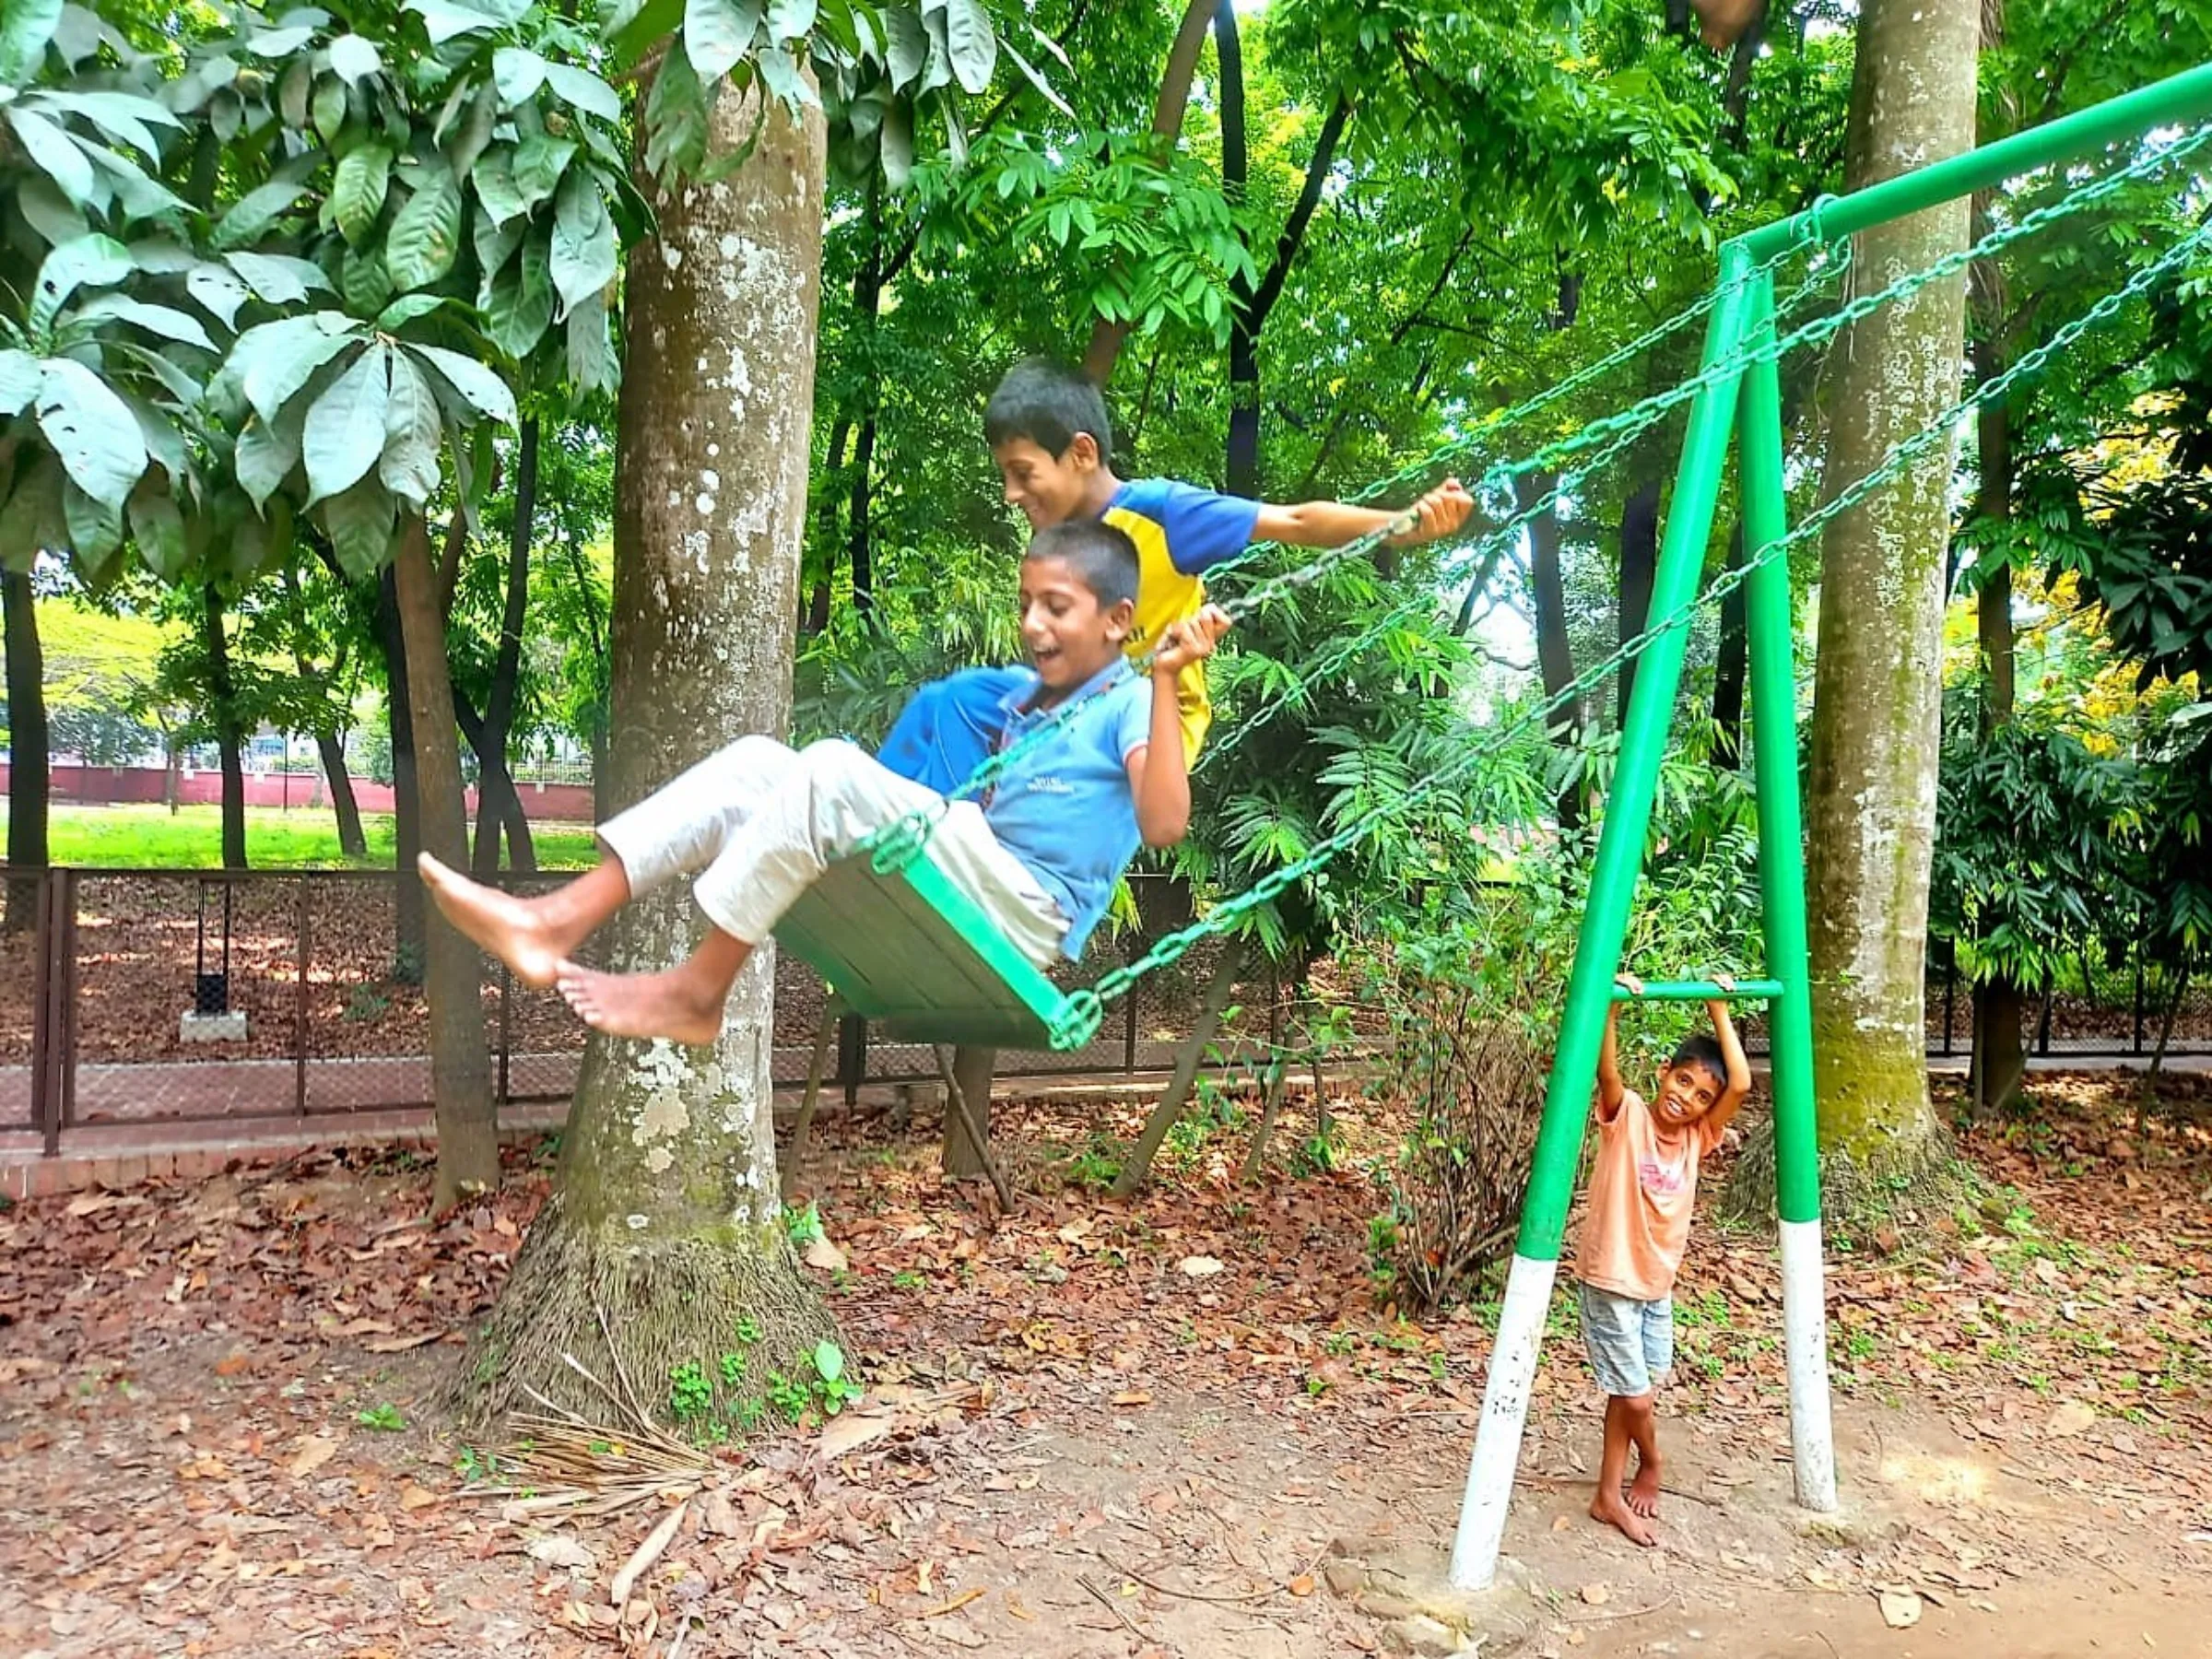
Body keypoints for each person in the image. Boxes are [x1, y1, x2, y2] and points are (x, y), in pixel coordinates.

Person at [417, 520, 1228, 1047]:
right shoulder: (1023, 699)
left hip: (1028, 907)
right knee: (759, 763)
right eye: (1026, 604)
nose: (1033, 624)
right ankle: (555, 919)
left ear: (1118, 621)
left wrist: (1165, 681)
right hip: (977, 870)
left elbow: (1162, 825)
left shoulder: (1127, 700)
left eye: (1058, 607)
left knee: (832, 768)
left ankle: (700, 993)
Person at [877, 359, 1476, 792]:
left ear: (1081, 455)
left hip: (1147, 719)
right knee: (946, 703)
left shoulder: (1163, 514)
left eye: (1023, 473)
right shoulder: (1054, 538)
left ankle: (938, 846)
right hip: (1074, 709)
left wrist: (1403, 523)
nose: (1010, 494)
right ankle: (889, 832)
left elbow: (1294, 520)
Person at [1575, 971, 1751, 1547]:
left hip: (1656, 1285)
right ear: (1663, 1074)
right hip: (1611, 1277)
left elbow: (1741, 1084)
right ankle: (1651, 1464)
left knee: (1631, 1391)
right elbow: (1606, 1073)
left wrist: (1718, 1011)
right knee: (1638, 1396)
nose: (1687, 1098)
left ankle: (1607, 1493)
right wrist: (1611, 1009)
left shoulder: (1697, 1138)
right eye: (1682, 1082)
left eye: (1701, 1095)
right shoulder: (1626, 1117)